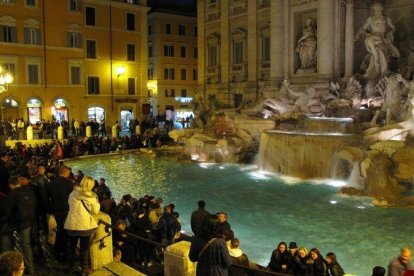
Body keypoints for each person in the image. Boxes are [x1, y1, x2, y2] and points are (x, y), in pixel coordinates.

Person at [0, 176, 37, 275]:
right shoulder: (29, 191)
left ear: (11, 185)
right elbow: (35, 205)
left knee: (5, 236)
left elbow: (7, 211)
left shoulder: (12, 194)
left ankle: (8, 264)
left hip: (14, 223)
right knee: (26, 245)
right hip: (27, 223)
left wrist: (4, 220)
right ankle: (30, 268)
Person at [64, 176, 100, 275]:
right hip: (84, 226)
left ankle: (70, 266)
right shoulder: (91, 197)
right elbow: (96, 211)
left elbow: (69, 203)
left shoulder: (73, 193)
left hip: (72, 224)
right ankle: (84, 269)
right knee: (84, 248)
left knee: (72, 247)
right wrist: (97, 201)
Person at [354, 2, 400, 79]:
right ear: (374, 10)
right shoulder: (370, 19)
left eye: (379, 10)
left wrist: (390, 34)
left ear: (382, 10)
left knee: (379, 49)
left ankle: (383, 68)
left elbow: (393, 28)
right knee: (371, 40)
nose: (378, 11)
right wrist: (357, 35)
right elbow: (363, 28)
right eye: (376, 10)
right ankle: (377, 58)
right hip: (373, 37)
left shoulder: (386, 19)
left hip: (382, 38)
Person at [46, 165, 73, 262]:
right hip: (66, 210)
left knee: (60, 230)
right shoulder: (70, 184)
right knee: (64, 231)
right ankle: (62, 252)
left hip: (56, 210)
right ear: (66, 173)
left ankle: (58, 251)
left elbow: (47, 199)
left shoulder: (51, 184)